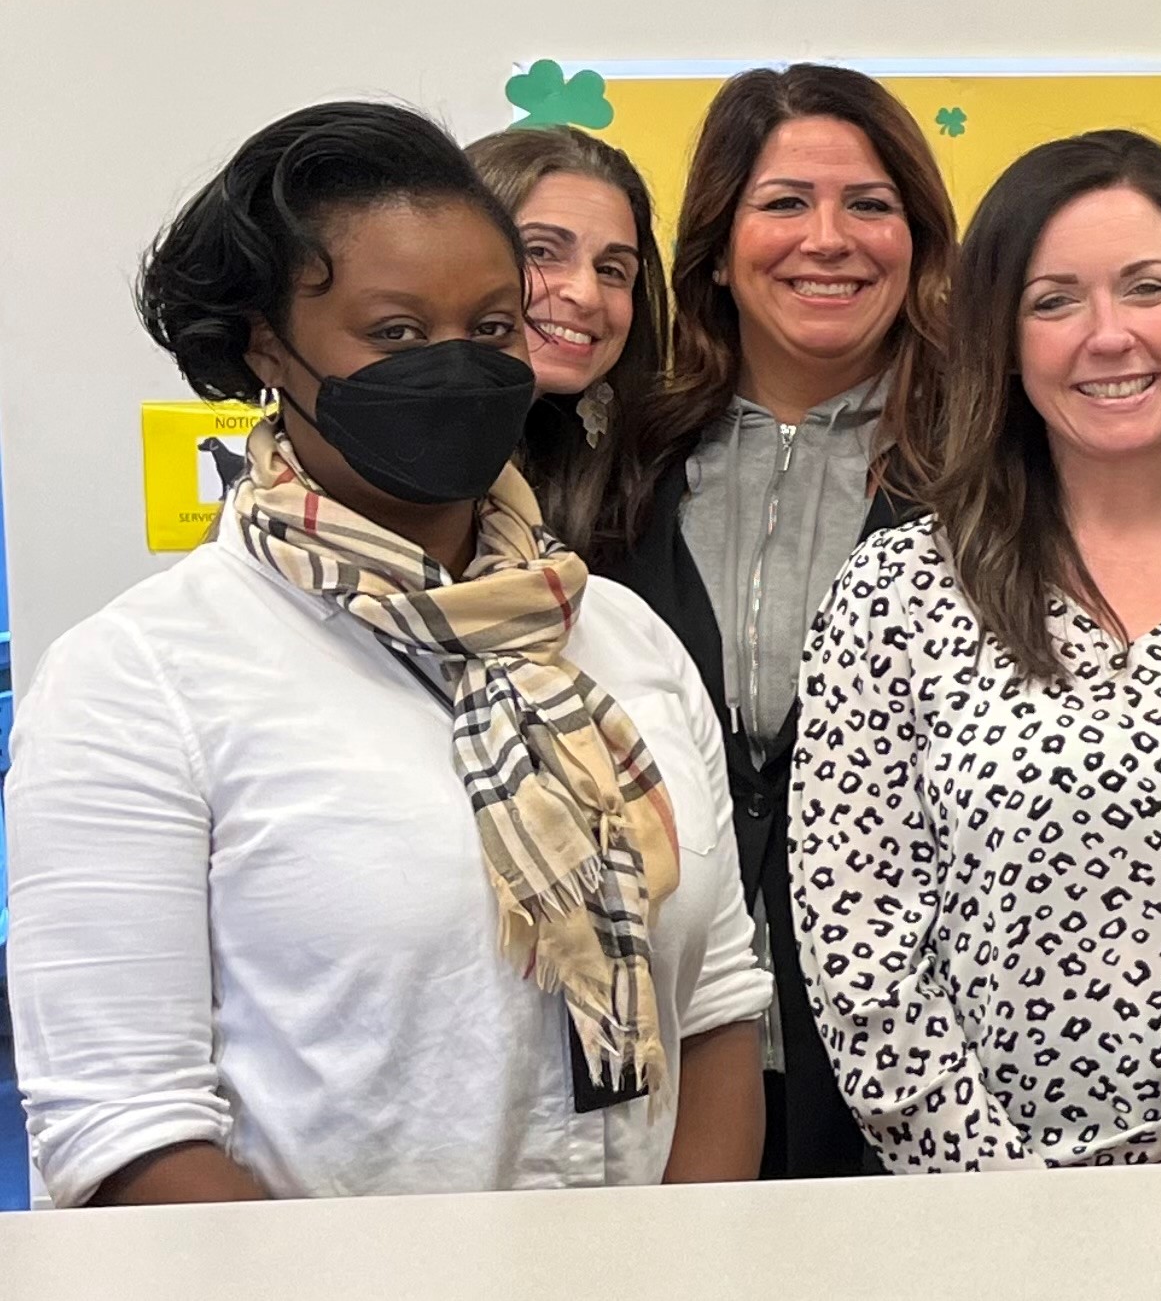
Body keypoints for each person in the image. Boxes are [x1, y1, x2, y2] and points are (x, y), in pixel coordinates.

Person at [8, 103, 767, 1204]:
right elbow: (124, 1122)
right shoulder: (141, 677)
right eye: (397, 333)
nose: (456, 367)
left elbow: (714, 1006)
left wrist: (681, 1265)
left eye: (493, 327)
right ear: (270, 347)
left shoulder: (619, 637)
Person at [791, 132, 1161, 1169]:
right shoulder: (894, 595)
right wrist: (1000, 1192)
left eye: (1147, 287)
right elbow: (859, 943)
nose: (1109, 335)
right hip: (982, 1219)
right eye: (1055, 299)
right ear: (1003, 339)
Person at [618, 63, 959, 1178]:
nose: (831, 238)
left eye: (870, 203)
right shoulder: (621, 467)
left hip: (924, 1055)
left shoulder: (997, 468)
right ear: (718, 244)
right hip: (663, 1047)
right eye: (784, 202)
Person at [466, 125, 667, 566]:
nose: (587, 293)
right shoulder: (353, 468)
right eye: (541, 252)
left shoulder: (635, 496)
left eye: (613, 269)